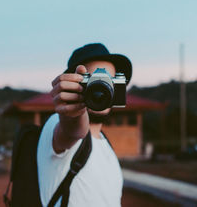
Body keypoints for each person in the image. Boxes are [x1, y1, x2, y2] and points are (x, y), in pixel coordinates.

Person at [37, 43, 132, 207]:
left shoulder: (105, 144)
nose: (101, 88)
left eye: (109, 81)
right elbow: (73, 130)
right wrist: (73, 111)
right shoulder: (57, 122)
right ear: (73, 85)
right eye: (93, 81)